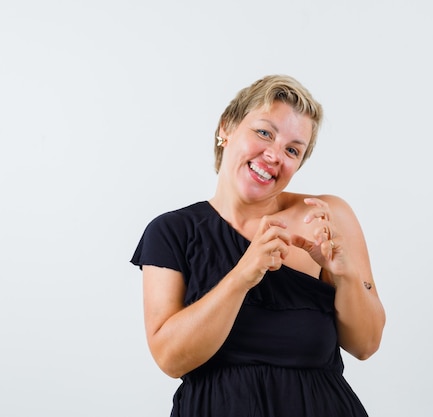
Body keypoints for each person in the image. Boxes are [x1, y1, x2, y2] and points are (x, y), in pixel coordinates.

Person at [130, 74, 385, 417]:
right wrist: (244, 275)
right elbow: (170, 359)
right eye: (264, 132)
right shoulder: (172, 231)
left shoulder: (325, 216)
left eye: (293, 149)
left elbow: (366, 345)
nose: (274, 155)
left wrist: (348, 275)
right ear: (227, 128)